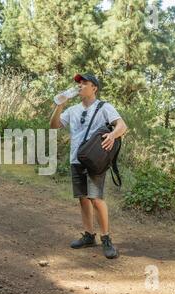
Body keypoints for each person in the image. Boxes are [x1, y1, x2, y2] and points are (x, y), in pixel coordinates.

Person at [50, 73, 128, 259]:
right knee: (83, 198)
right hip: (76, 159)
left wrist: (112, 135)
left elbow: (122, 126)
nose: (80, 86)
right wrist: (60, 104)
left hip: (95, 160)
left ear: (94, 88)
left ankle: (106, 238)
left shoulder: (104, 107)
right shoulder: (73, 110)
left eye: (85, 83)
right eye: (79, 83)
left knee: (96, 198)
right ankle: (88, 236)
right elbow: (53, 126)